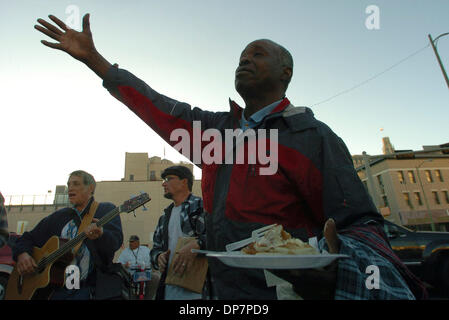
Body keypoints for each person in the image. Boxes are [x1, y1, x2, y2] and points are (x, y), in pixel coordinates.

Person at [34, 14, 427, 300]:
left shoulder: (313, 138)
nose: (244, 60)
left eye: (257, 54)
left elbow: (362, 226)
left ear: (285, 71)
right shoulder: (215, 133)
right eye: (241, 56)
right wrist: (96, 62)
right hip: (220, 294)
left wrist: (333, 269)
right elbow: (157, 107)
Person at [12, 170, 123, 300]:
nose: (70, 188)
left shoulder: (106, 209)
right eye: (69, 185)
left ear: (91, 188)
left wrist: (102, 235)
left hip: (90, 288)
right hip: (57, 290)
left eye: (76, 184)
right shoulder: (59, 216)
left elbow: (116, 242)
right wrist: (22, 254)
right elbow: (27, 238)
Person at [150, 166, 207, 300]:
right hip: (169, 291)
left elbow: (218, 238)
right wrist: (158, 257)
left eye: (169, 179)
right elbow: (154, 250)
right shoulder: (164, 217)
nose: (163, 183)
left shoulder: (200, 207)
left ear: (184, 182)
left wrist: (198, 244)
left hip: (198, 293)